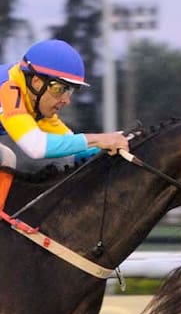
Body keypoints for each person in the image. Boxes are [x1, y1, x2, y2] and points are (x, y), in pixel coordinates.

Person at [0, 39, 130, 211]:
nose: (66, 100)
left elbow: (70, 148)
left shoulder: (36, 101)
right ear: (37, 83)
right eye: (60, 89)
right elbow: (36, 147)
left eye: (70, 90)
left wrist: (123, 141)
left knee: (61, 158)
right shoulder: (9, 89)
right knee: (7, 156)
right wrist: (99, 139)